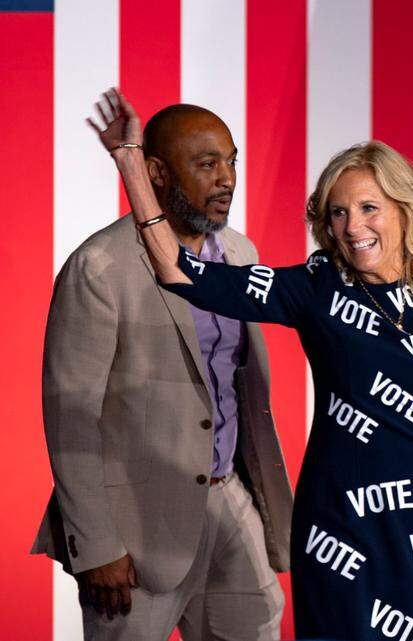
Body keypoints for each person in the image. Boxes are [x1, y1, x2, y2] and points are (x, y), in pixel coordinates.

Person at [87, 88, 413, 640]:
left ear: (404, 211)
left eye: (368, 208)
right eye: (338, 212)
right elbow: (179, 271)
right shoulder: (315, 289)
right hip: (342, 539)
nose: (353, 226)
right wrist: (130, 161)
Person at [33, 98, 292, 640]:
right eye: (206, 164)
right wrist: (98, 545)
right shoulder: (101, 267)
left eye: (231, 161)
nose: (227, 179)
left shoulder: (242, 254)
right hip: (137, 525)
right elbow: (71, 416)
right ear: (156, 171)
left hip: (229, 500)